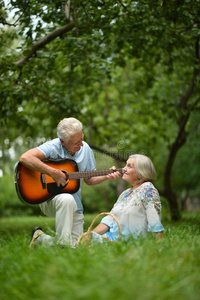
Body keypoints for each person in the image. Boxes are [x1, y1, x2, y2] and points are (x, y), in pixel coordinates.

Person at [19, 117, 121, 248]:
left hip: (75, 205)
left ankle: (40, 238)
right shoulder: (53, 146)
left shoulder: (86, 149)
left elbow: (89, 179)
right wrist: (52, 172)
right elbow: (25, 158)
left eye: (82, 138)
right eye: (76, 142)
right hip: (49, 200)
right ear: (63, 141)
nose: (81, 144)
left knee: (75, 246)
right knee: (67, 199)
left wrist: (107, 176)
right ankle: (63, 246)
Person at [79, 154, 164, 245]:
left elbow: (154, 218)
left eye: (129, 166)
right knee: (81, 243)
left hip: (129, 242)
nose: (124, 169)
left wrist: (160, 243)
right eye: (125, 165)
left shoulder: (147, 189)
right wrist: (89, 235)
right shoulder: (125, 193)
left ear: (141, 173)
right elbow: (110, 219)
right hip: (110, 238)